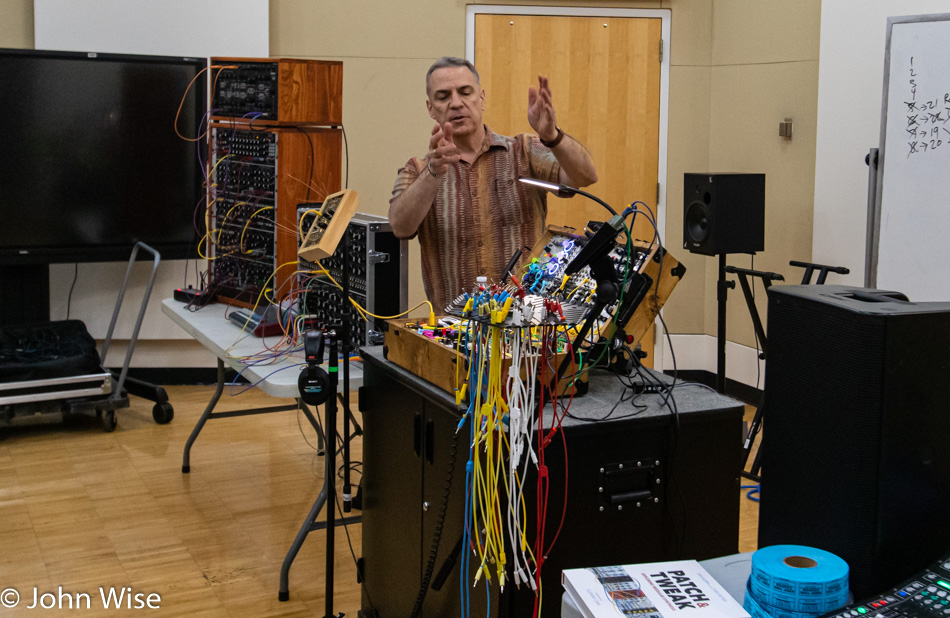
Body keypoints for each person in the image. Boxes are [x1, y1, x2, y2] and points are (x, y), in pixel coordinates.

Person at [388, 56, 598, 310]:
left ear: (482, 98)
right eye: (443, 96)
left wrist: (552, 136)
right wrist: (434, 172)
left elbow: (585, 176)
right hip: (454, 332)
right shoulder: (418, 170)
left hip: (524, 327)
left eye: (465, 92)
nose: (456, 103)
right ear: (431, 108)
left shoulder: (523, 151)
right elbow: (400, 227)